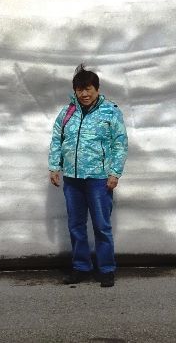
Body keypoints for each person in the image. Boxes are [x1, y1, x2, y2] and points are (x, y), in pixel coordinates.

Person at [48, 63, 129, 287]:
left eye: (89, 89)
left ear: (97, 89)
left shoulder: (110, 111)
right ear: (75, 90)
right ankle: (81, 267)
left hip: (99, 178)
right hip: (72, 179)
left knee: (102, 225)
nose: (84, 94)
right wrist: (54, 167)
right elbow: (57, 140)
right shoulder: (67, 113)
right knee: (75, 225)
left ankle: (106, 269)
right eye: (80, 89)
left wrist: (115, 173)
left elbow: (120, 144)